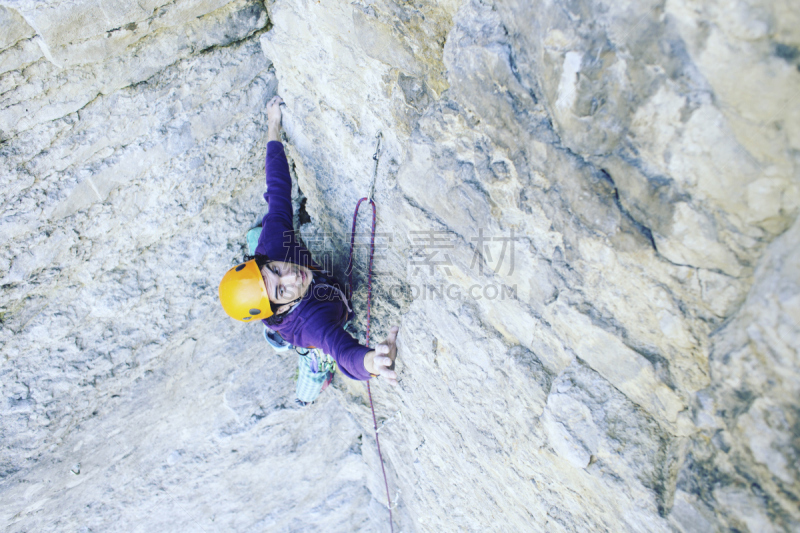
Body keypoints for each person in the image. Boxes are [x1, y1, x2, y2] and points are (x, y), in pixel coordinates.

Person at [218, 95, 399, 404]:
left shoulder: (274, 245)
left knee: (261, 232)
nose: (291, 277)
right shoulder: (311, 322)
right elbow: (341, 350)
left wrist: (273, 126)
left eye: (275, 269)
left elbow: (277, 188)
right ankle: (304, 393)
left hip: (272, 306)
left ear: (264, 260)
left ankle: (270, 321)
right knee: (316, 362)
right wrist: (373, 363)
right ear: (282, 307)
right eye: (282, 291)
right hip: (300, 331)